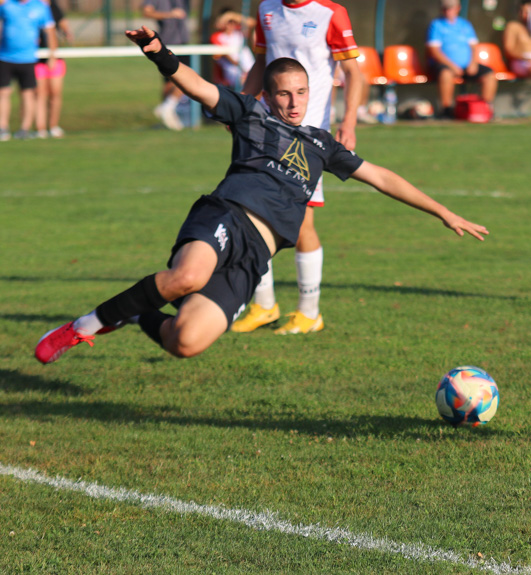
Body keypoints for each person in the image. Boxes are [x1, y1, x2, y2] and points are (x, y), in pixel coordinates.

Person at [34, 26, 489, 366]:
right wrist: (160, 55)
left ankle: (135, 314)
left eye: (301, 93)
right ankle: (81, 327)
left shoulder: (321, 144)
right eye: (284, 94)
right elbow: (199, 87)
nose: (294, 102)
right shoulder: (250, 116)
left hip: (256, 255)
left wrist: (443, 212)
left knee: (185, 343)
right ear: (269, 97)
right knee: (187, 277)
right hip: (228, 215)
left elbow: (383, 178)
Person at [232, 0, 365, 336]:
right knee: (252, 214)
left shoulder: (330, 13)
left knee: (302, 221)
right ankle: (263, 305)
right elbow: (262, 64)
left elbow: (353, 72)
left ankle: (309, 312)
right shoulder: (266, 9)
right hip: (264, 132)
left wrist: (349, 121)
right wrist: (241, 106)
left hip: (307, 138)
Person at [426, 0, 498, 119]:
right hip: (446, 66)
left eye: (451, 8)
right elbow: (434, 51)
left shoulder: (465, 25)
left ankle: (484, 108)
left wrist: (473, 63)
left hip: (467, 65)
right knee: (445, 73)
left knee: (489, 74)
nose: (448, 11)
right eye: (446, 8)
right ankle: (446, 110)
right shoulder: (436, 25)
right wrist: (453, 66)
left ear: (458, 8)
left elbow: (473, 47)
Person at [0, 0, 56, 141]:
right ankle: (3, 128)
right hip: (5, 56)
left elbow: (50, 31)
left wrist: (52, 54)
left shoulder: (40, 7)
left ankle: (24, 129)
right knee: (3, 92)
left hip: (28, 58)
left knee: (28, 94)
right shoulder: (6, 5)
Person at [141, 0, 190, 131]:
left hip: (183, 43)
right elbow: (146, 12)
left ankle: (167, 113)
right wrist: (170, 14)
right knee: (181, 79)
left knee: (175, 80)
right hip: (169, 43)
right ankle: (168, 107)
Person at [34, 0, 71, 138]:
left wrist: (67, 33)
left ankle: (53, 126)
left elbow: (63, 24)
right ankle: (40, 128)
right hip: (36, 58)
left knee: (55, 94)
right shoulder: (31, 7)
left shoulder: (53, 7)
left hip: (55, 57)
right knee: (39, 94)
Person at [210, 10, 255, 88]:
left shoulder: (239, 32)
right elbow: (225, 54)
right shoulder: (217, 36)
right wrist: (238, 65)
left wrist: (233, 16)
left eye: (232, 22)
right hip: (231, 70)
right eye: (228, 22)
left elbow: (252, 22)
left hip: (248, 66)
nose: (231, 25)